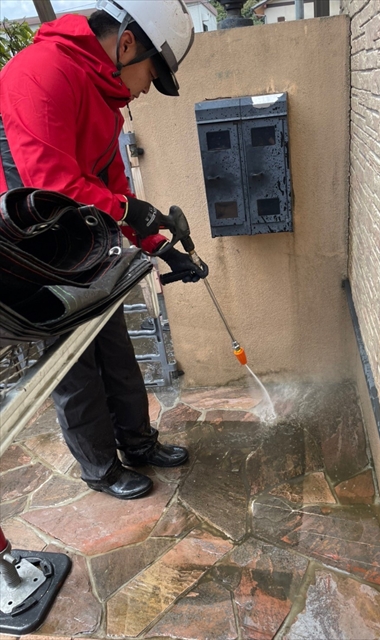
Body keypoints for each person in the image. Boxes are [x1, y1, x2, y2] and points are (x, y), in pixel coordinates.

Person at [0, 0, 207, 499]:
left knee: (115, 345)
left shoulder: (105, 100)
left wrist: (159, 246)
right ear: (127, 43)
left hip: (79, 239)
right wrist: (128, 211)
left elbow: (113, 187)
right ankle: (100, 468)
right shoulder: (40, 72)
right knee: (74, 362)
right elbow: (50, 186)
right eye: (150, 75)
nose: (146, 89)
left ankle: (137, 443)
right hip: (30, 248)